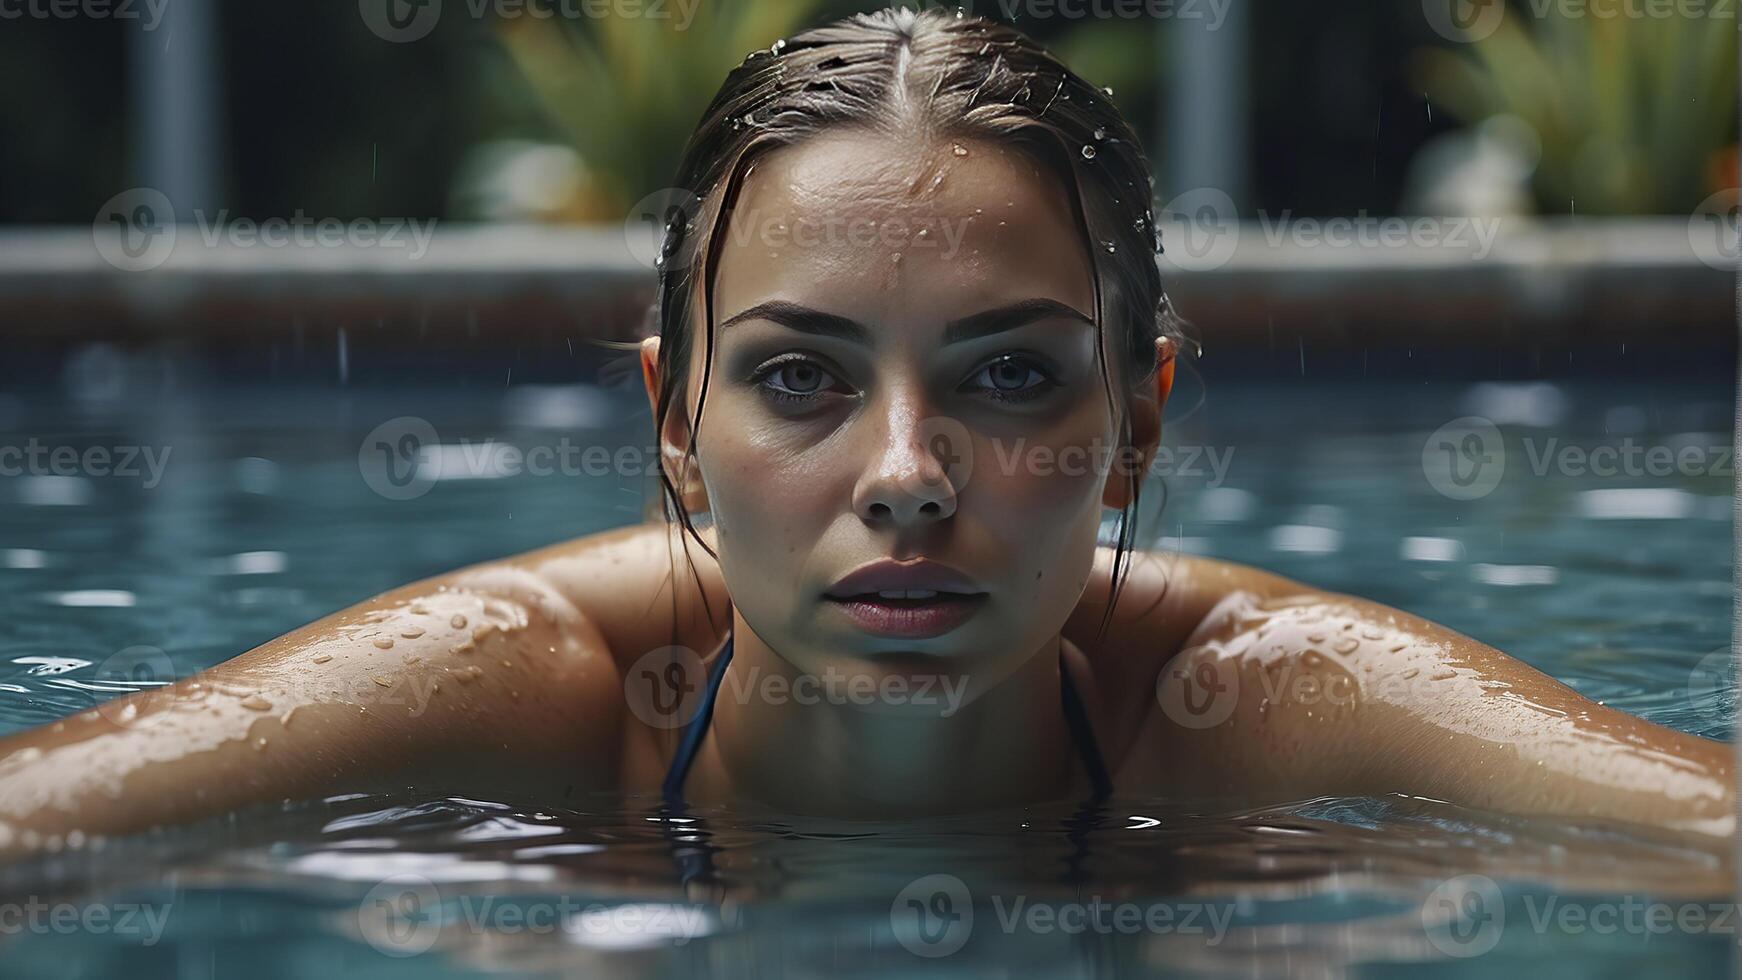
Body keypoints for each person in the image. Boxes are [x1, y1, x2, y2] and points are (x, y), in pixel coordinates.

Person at [0, 8, 1729, 856]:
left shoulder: (1262, 699)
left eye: (1007, 376)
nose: (905, 477)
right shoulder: (511, 682)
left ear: (1136, 427)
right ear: (677, 428)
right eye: (803, 378)